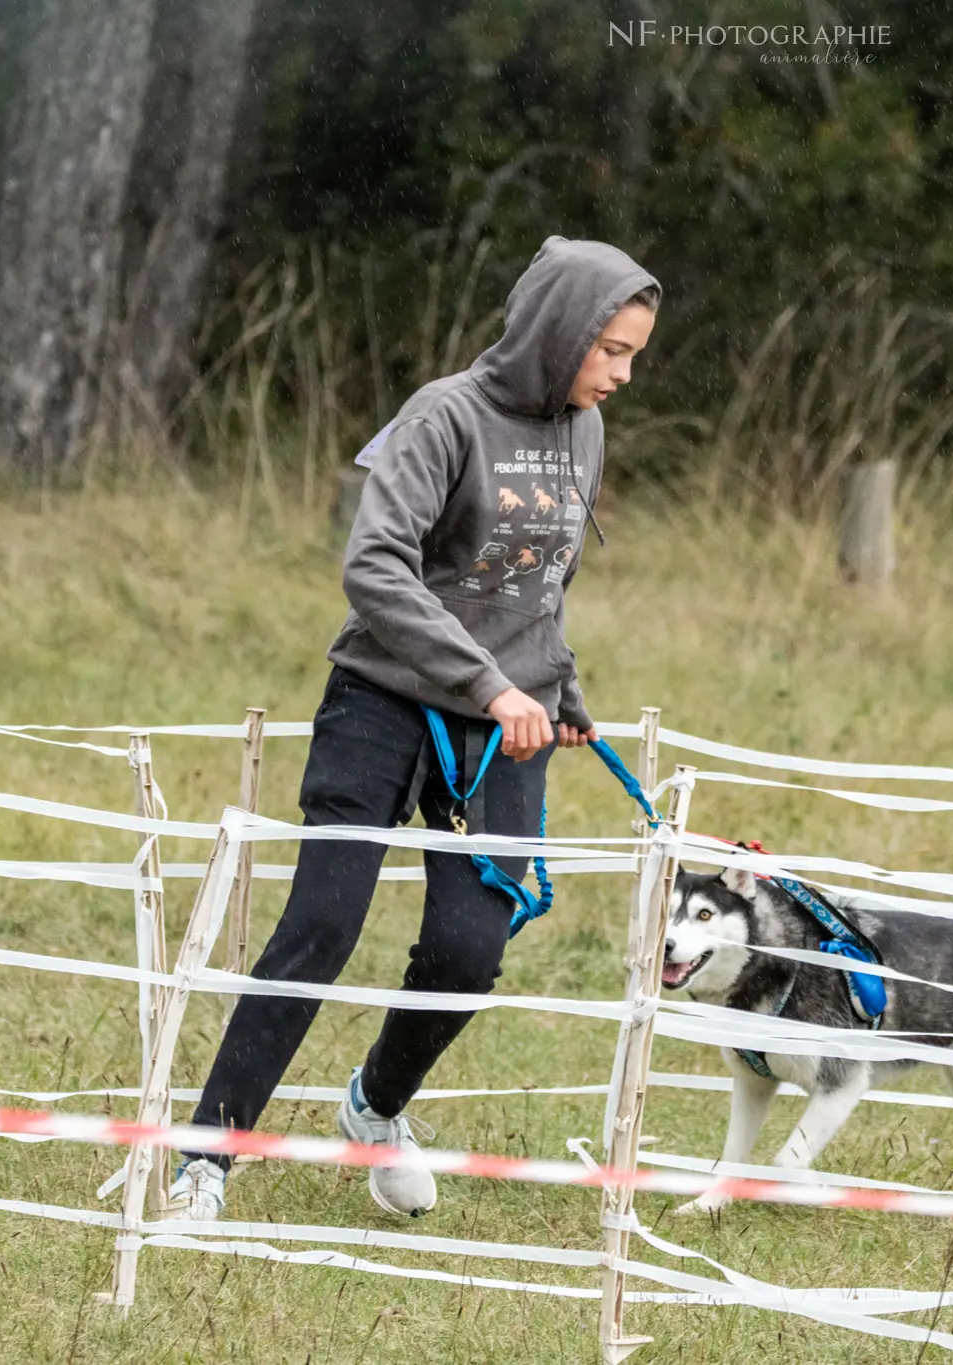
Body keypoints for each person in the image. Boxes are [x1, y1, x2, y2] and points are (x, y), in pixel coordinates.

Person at [169, 237, 660, 1221]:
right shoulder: (443, 416)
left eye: (633, 354)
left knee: (468, 952)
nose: (621, 374)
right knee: (319, 928)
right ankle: (204, 1161)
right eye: (608, 349)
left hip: (506, 724)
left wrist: (553, 690)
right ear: (558, 332)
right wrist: (486, 686)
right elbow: (376, 569)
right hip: (385, 699)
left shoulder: (583, 431)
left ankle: (374, 1108)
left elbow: (539, 587)